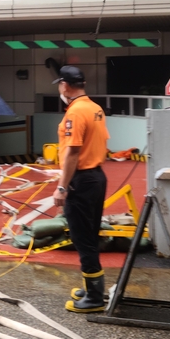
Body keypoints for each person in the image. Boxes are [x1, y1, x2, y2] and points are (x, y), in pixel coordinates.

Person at [51, 65, 110, 313]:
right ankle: (91, 286)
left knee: (81, 237)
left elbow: (73, 151)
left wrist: (62, 186)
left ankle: (95, 297)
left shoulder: (75, 113)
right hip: (96, 177)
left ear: (65, 85)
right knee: (90, 233)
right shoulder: (95, 108)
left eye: (60, 85)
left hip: (82, 180)